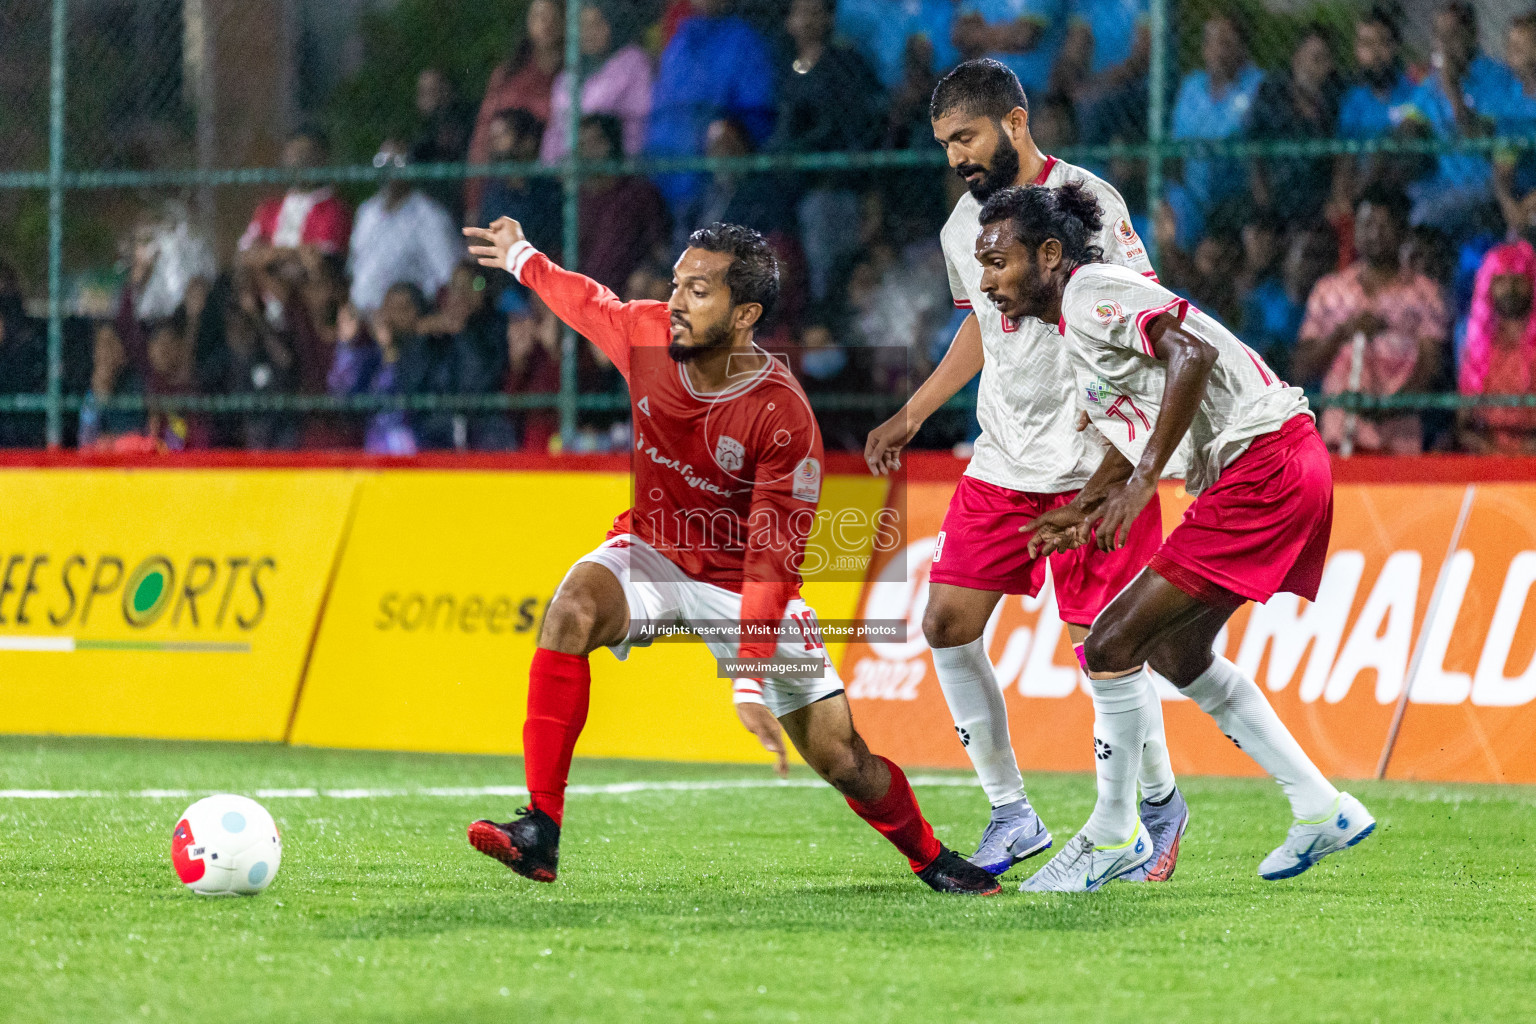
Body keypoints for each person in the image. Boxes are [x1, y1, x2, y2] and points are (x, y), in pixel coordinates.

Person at [460, 215, 1001, 894]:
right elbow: (584, 300)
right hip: (653, 552)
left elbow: (772, 563)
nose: (678, 301)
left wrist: (748, 678)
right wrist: (521, 257)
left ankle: (931, 857)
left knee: (842, 758)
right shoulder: (649, 333)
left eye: (700, 291)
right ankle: (540, 830)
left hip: (740, 587)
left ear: (745, 314)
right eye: (677, 284)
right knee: (570, 610)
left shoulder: (780, 414)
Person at [976, 181, 1375, 889]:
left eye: (998, 262)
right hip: (1280, 461)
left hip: (1265, 465)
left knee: (1109, 643)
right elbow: (1139, 423)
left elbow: (1191, 356)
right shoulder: (1079, 323)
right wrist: (1090, 502)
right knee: (1174, 650)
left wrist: (1140, 484)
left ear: (1047, 254)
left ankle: (1112, 834)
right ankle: (1320, 807)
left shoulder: (1091, 292)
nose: (988, 281)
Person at [863, 59, 1186, 881]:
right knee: (945, 625)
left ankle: (1157, 806)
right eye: (943, 144)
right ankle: (1012, 812)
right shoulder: (959, 231)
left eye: (965, 137)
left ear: (1013, 121)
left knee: (1104, 648)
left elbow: (1143, 315)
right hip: (1003, 459)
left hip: (1090, 464)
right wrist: (915, 411)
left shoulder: (1088, 203)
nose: (955, 158)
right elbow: (981, 330)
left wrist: (1125, 438)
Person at [1294, 186, 1447, 453]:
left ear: (1402, 232)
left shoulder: (1425, 294)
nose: (1373, 233)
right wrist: (1344, 332)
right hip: (1338, 434)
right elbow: (1303, 366)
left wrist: (1385, 408)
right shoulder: (1328, 290)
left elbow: (1429, 367)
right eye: (1366, 224)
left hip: (1399, 439)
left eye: (1383, 225)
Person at [768, 0, 886, 305]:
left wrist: (867, 191)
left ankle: (824, 313)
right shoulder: (785, 66)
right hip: (791, 188)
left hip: (838, 188)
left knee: (823, 234)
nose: (807, 21)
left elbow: (864, 131)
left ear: (828, 18)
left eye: (815, 12)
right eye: (800, 13)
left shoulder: (846, 64)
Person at [645, 0, 777, 217]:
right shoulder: (679, 43)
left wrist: (728, 132)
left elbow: (757, 113)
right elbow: (662, 110)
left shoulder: (744, 41)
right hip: (668, 171)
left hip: (717, 175)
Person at [1405, 1, 1514, 235]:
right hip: (1444, 184)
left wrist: (1452, 89)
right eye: (1439, 36)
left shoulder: (1496, 78)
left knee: (1423, 216)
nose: (1444, 45)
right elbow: (1408, 128)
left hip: (1487, 185)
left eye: (1452, 35)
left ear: (1473, 35)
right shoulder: (1431, 84)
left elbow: (1483, 142)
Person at [1167, 15, 1264, 249]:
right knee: (1168, 217)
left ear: (1242, 48)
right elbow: (1178, 148)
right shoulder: (1192, 87)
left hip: (1239, 193)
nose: (1220, 50)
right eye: (1213, 42)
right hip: (1195, 192)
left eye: (1228, 42)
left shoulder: (1257, 84)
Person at [466, 0, 565, 214]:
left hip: (551, 188)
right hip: (503, 185)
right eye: (539, 16)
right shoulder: (509, 74)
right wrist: (474, 203)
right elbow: (483, 138)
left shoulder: (571, 76)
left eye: (553, 16)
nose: (546, 24)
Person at [348, 140, 465, 314]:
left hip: (404, 321)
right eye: (381, 161)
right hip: (360, 319)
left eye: (397, 162)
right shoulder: (367, 212)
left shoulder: (429, 217)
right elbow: (354, 267)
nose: (387, 168)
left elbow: (448, 275)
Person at [1247, 26, 1340, 226]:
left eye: (1326, 60)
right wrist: (1262, 196)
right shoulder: (1271, 92)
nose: (1320, 68)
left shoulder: (1334, 98)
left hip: (1317, 201)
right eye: (1315, 59)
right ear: (1297, 59)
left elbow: (1341, 157)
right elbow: (1251, 143)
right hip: (1275, 195)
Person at [540, 0, 653, 163]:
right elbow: (555, 132)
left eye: (597, 24)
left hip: (616, 168)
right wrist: (552, 169)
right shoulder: (566, 77)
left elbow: (637, 122)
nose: (589, 33)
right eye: (582, 26)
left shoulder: (633, 63)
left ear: (612, 24)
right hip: (568, 173)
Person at [575, 114, 670, 294]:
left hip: (626, 294)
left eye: (592, 144)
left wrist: (648, 273)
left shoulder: (638, 193)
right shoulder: (576, 199)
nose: (583, 152)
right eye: (580, 145)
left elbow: (659, 250)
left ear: (610, 144)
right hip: (583, 294)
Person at [1458, 240, 1536, 454]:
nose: (1510, 289)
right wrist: (1492, 451)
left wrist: (1523, 452)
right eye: (1501, 280)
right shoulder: (1474, 345)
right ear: (1488, 285)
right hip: (1487, 458)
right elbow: (1463, 424)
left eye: (1518, 279)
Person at [238, 129, 351, 263]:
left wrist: (270, 254)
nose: (298, 161)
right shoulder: (270, 207)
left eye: (306, 154)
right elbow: (246, 248)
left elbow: (322, 257)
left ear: (322, 158)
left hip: (306, 278)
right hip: (269, 272)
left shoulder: (334, 209)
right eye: (292, 154)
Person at [474, 109, 562, 254]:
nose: (495, 144)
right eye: (493, 138)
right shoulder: (494, 192)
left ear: (528, 142)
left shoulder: (549, 191)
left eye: (503, 136)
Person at [951, 1, 1065, 101]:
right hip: (983, 90)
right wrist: (1008, 33)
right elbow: (961, 35)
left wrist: (979, 34)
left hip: (1035, 94)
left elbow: (1023, 37)